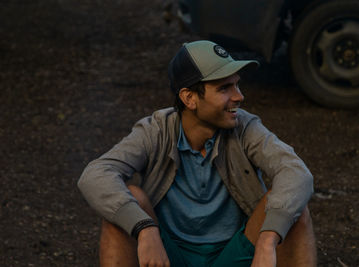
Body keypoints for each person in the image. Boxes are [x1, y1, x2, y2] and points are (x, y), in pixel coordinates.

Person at [78, 40, 316, 267]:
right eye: (224, 88)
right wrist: (144, 228)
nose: (239, 96)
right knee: (127, 204)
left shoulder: (246, 128)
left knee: (292, 210)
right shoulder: (156, 131)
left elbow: (296, 173)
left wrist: (267, 239)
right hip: (168, 256)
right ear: (189, 98)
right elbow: (96, 175)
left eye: (237, 84)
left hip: (234, 256)